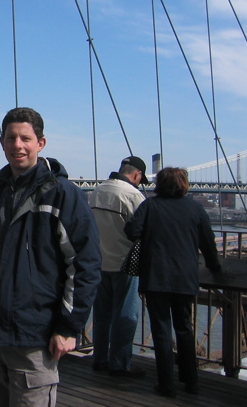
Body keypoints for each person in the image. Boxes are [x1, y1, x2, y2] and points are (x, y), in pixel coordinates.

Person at [0, 107, 101, 407]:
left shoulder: (62, 194)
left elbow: (85, 265)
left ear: (41, 143)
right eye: (11, 138)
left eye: (26, 138)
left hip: (34, 337)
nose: (17, 145)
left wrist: (68, 327)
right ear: (1, 142)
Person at [124, 167, 221, 398]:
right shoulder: (196, 208)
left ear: (159, 184)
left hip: (156, 277)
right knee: (185, 328)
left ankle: (166, 384)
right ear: (184, 184)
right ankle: (191, 381)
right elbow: (208, 242)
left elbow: (132, 230)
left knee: (161, 330)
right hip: (185, 277)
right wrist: (215, 268)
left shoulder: (150, 206)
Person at [89, 156, 148, 378]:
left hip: (98, 262)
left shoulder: (97, 191)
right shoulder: (134, 195)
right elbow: (142, 229)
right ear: (137, 175)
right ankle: (120, 363)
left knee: (102, 314)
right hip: (125, 264)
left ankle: (99, 358)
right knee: (126, 316)